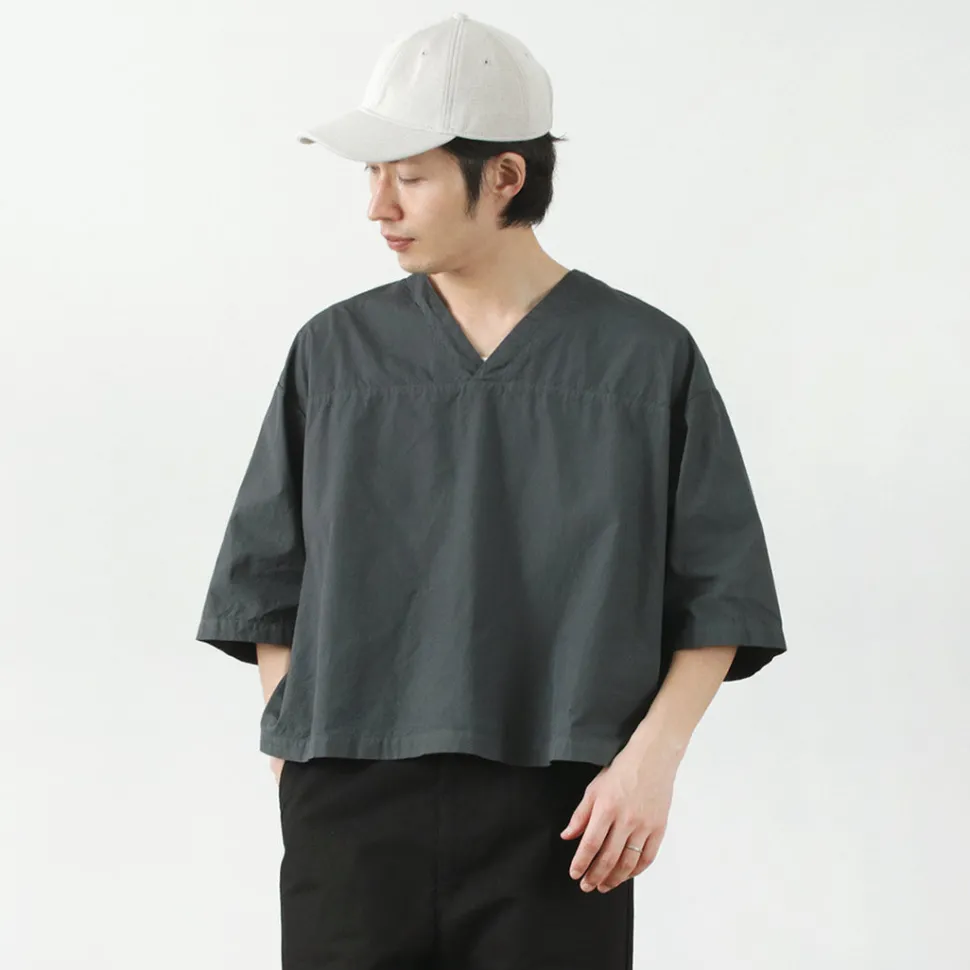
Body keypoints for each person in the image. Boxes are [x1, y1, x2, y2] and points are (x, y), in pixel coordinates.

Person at [195, 12, 788, 969]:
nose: (378, 206)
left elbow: (719, 593)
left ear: (505, 176)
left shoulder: (644, 361)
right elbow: (267, 579)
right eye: (371, 174)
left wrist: (652, 763)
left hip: (564, 809)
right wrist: (297, 744)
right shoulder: (335, 354)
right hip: (350, 794)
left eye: (411, 175)